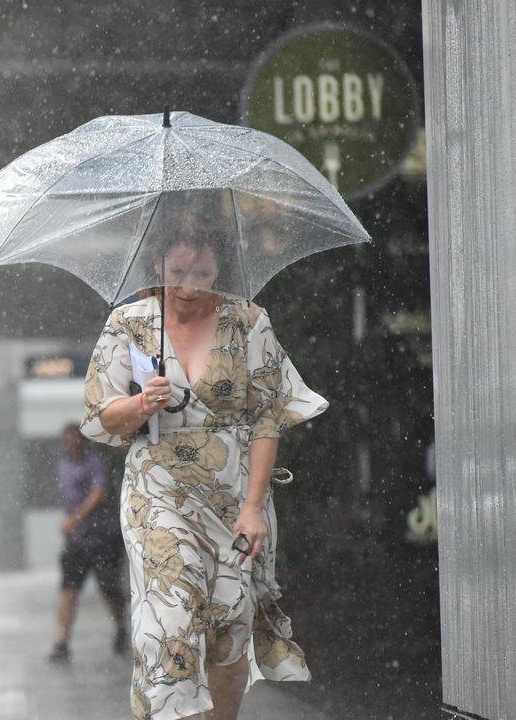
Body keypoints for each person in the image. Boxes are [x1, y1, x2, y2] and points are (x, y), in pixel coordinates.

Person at [81, 227, 327, 720]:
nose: (189, 285)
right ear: (157, 267)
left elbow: (267, 418)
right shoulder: (129, 323)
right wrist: (140, 401)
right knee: (169, 614)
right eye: (178, 273)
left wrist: (254, 507)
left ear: (221, 272)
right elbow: (101, 415)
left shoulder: (249, 321)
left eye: (202, 274)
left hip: (234, 492)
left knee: (229, 622)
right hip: (157, 488)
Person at [48, 423, 128, 664]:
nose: (72, 444)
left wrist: (75, 518)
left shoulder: (94, 463)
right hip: (77, 540)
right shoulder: (63, 465)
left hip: (103, 537)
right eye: (68, 440)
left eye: (76, 439)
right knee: (68, 590)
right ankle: (62, 641)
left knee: (109, 588)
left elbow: (98, 493)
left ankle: (121, 627)